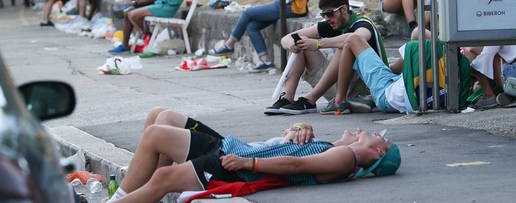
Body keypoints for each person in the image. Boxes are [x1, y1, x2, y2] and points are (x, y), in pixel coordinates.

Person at [106, 108, 401, 203]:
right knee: (162, 117)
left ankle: (120, 199)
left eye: (378, 137)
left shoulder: (346, 158)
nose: (368, 130)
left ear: (377, 152)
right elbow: (287, 147)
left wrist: (250, 163)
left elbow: (296, 165)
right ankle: (137, 194)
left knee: (160, 166)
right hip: (234, 149)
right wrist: (297, 128)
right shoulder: (334, 148)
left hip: (235, 165)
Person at [264, 0, 387, 115]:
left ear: (343, 9)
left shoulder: (362, 23)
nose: (326, 18)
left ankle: (310, 99)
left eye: (329, 13)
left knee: (345, 45)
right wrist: (291, 44)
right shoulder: (333, 23)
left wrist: (318, 44)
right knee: (300, 41)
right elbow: (286, 38)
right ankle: (287, 98)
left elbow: (356, 39)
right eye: (323, 15)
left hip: (366, 90)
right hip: (342, 87)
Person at [331, 29, 472, 114]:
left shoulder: (435, 50)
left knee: (352, 40)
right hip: (400, 84)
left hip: (388, 93)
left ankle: (339, 101)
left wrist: (320, 43)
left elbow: (418, 33)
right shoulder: (466, 75)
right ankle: (369, 96)